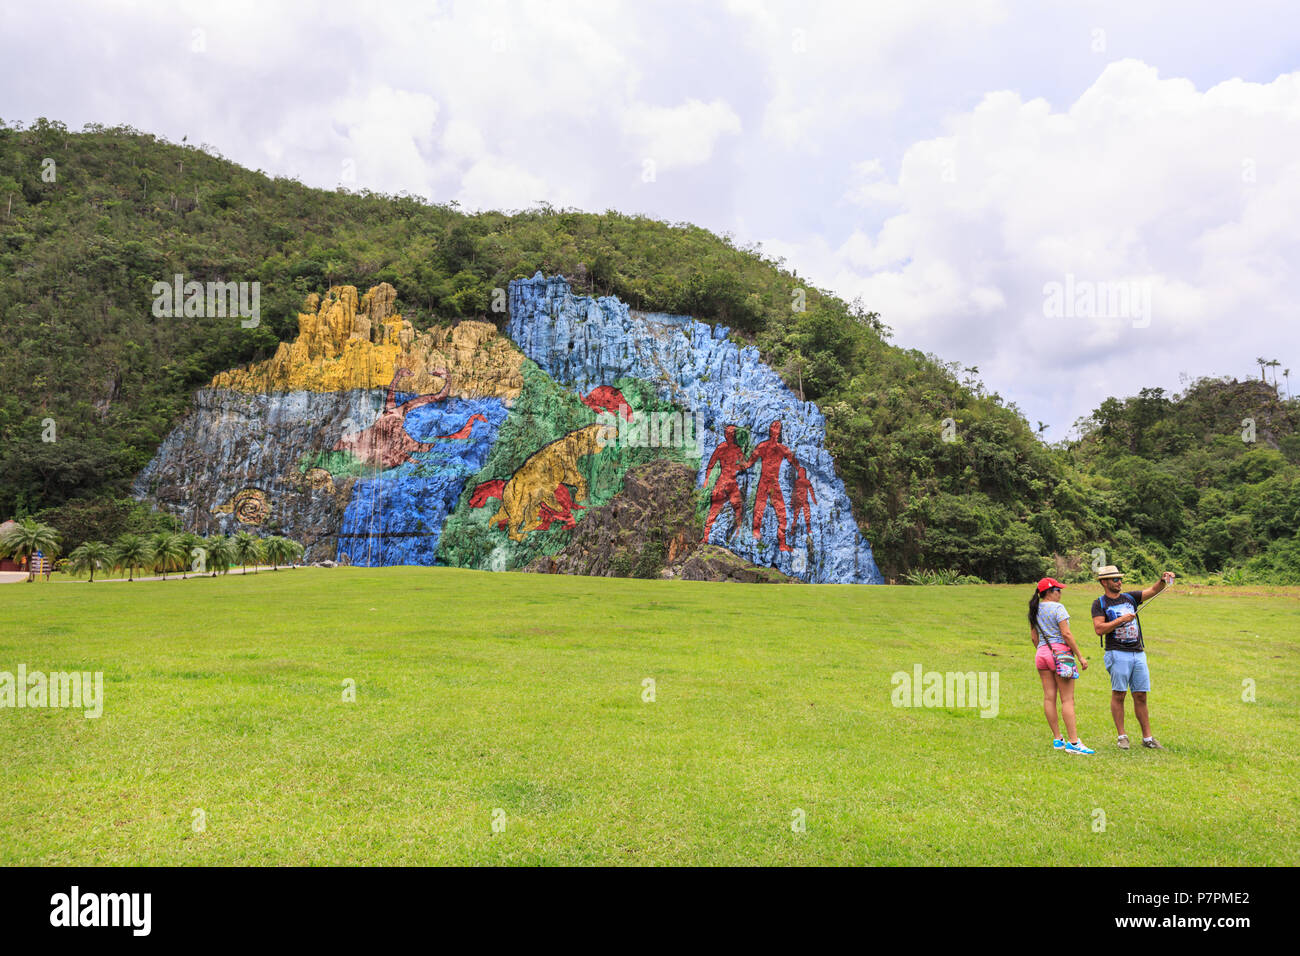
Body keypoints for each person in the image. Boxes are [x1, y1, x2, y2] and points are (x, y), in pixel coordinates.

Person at [1092, 565, 1175, 750]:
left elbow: (1154, 591)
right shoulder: (1100, 603)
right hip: (1117, 652)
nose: (1119, 582)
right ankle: (1122, 737)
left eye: (1120, 578)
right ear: (1104, 582)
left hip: (1138, 653)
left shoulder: (1130, 597)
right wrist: (1120, 620)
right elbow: (1099, 629)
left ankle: (1148, 739)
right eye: (1115, 579)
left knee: (1141, 695)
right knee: (1119, 694)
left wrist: (1163, 580)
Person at [1029, 577, 1094, 754]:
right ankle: (1073, 743)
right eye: (1058, 590)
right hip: (1061, 654)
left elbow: (1034, 637)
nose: (1060, 593)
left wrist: (1044, 651)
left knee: (1049, 697)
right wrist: (1080, 656)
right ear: (1050, 592)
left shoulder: (1035, 609)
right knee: (1067, 699)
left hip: (1041, 654)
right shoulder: (1058, 608)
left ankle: (1058, 739)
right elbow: (1066, 633)